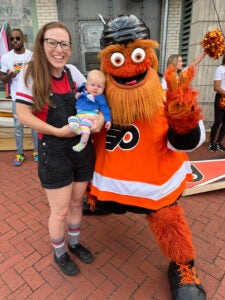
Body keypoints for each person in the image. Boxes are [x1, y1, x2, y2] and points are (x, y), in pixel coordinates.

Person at [86, 14, 206, 299]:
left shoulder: (167, 90)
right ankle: (100, 203)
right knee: (101, 201)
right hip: (110, 184)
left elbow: (187, 141)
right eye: (118, 58)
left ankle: (182, 265)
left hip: (154, 185)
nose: (128, 67)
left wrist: (183, 119)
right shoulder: (98, 93)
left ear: (149, 56)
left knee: (168, 221)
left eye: (136, 55)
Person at [15, 21, 104, 276]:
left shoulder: (73, 73)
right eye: (52, 42)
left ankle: (74, 244)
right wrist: (56, 131)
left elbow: (94, 99)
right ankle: (60, 252)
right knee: (60, 209)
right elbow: (23, 114)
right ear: (42, 44)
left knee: (77, 202)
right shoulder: (30, 73)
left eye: (64, 44)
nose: (59, 49)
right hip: (53, 149)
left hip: (80, 148)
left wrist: (98, 119)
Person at [0, 28, 38, 166]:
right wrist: (9, 76)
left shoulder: (32, 56)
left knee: (34, 125)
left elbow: (38, 75)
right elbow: (2, 79)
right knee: (18, 126)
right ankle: (20, 153)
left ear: (23, 39)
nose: (14, 41)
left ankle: (37, 151)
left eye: (17, 38)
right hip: (17, 97)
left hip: (32, 96)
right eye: (12, 39)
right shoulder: (6, 57)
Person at [68, 69, 111, 152]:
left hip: (91, 117)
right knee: (71, 118)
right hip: (79, 115)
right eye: (93, 85)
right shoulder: (83, 92)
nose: (95, 88)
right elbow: (78, 94)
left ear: (103, 88)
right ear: (87, 85)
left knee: (85, 126)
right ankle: (76, 128)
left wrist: (108, 120)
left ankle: (83, 143)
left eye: (99, 86)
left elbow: (105, 108)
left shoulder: (99, 97)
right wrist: (78, 95)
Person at [208, 53, 225, 152]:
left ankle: (219, 142)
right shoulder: (220, 69)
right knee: (217, 122)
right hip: (221, 98)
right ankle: (211, 143)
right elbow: (216, 87)